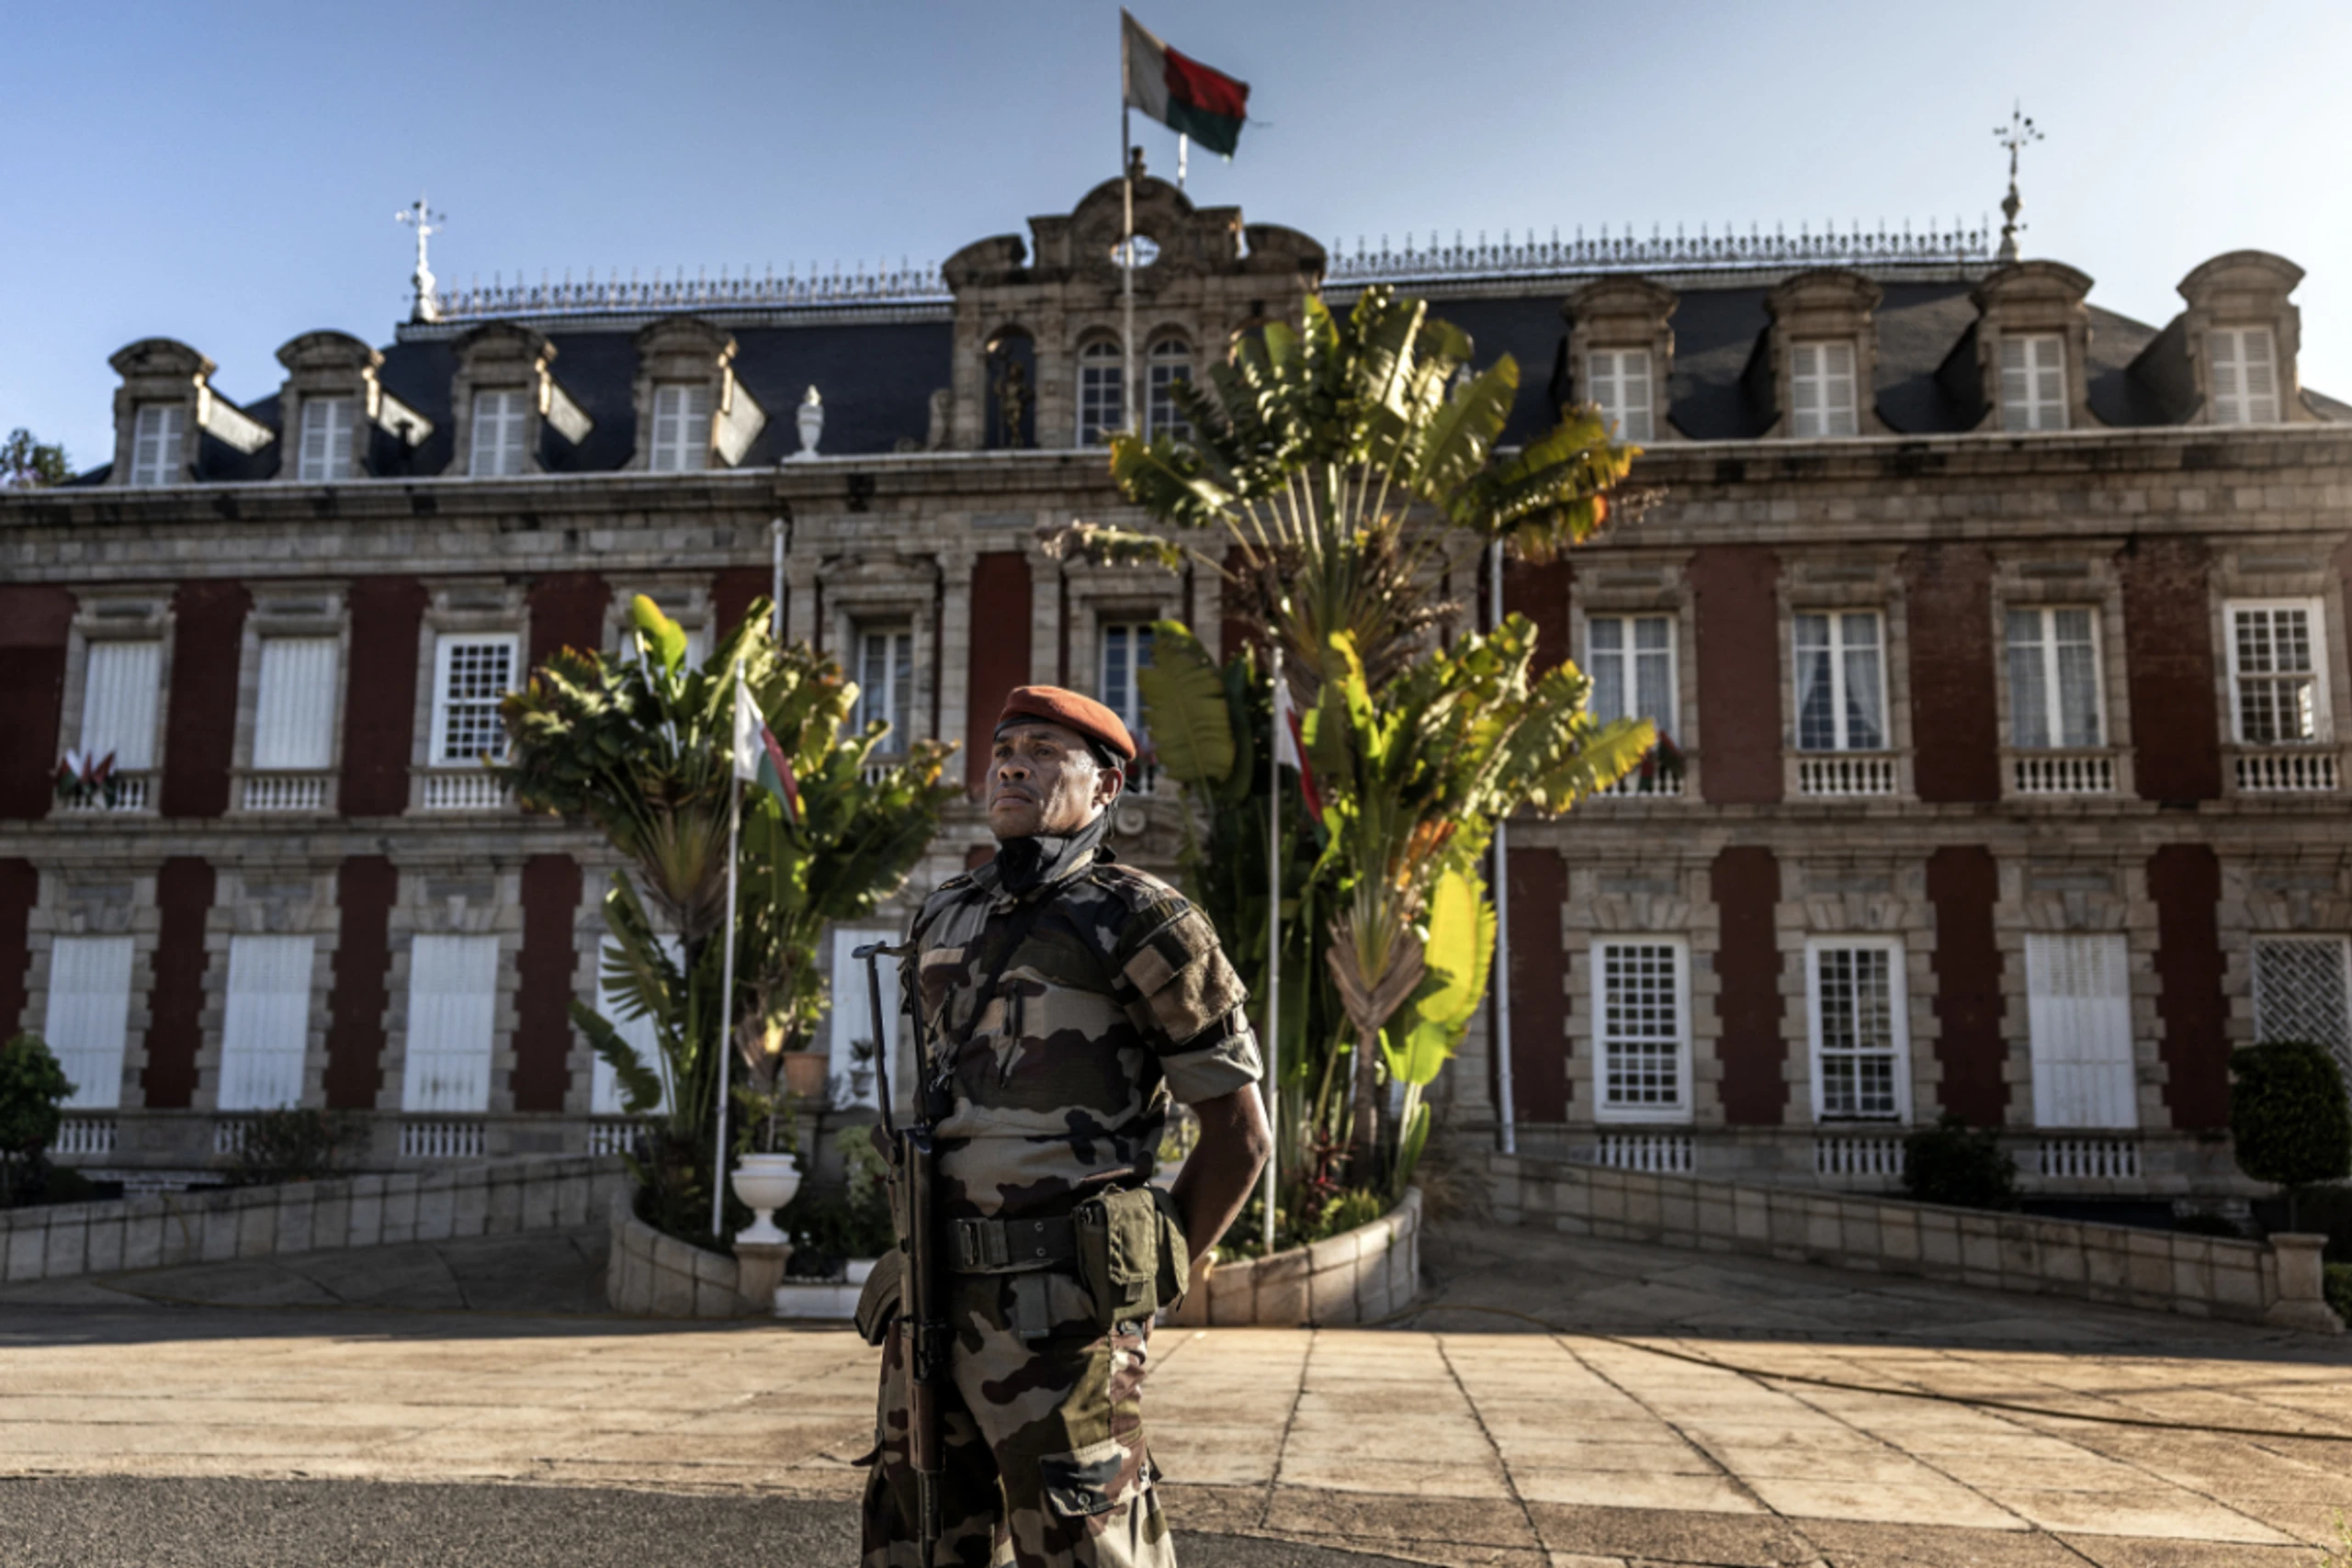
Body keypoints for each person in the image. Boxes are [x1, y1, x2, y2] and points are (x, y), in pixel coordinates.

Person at [860, 684, 1272, 1568]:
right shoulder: (944, 914)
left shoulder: (1146, 920)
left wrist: (1146, 1284)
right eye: (1006, 746)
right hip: (930, 1305)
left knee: (1091, 1545)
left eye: (1046, 750)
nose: (1013, 761)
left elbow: (1240, 1135)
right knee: (916, 1538)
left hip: (1064, 1318)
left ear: (1107, 785)